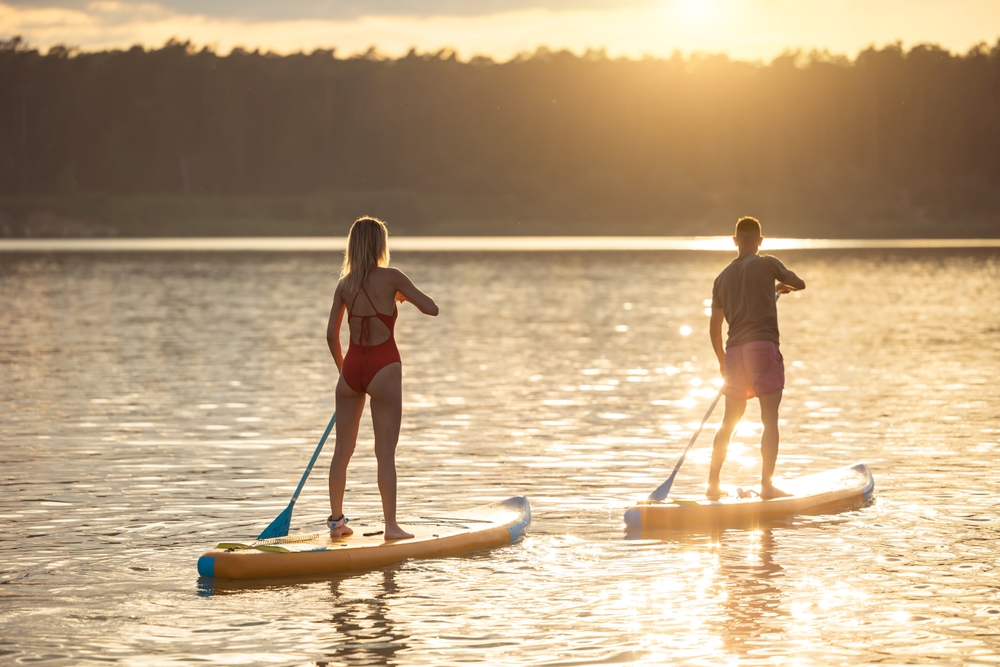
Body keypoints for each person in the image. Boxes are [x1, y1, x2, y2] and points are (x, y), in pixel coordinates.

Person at [326, 216, 439, 540]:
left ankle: (337, 524)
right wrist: (403, 295)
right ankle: (391, 527)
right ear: (380, 244)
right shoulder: (392, 277)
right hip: (383, 368)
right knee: (384, 452)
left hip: (351, 371)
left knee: (342, 451)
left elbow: (330, 336)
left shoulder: (344, 284)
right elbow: (432, 309)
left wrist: (346, 374)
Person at [707, 216, 805, 499]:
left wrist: (721, 362)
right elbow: (799, 284)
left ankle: (712, 485)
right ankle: (767, 486)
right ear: (760, 240)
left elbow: (714, 328)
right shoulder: (767, 262)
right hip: (762, 347)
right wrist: (780, 281)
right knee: (769, 419)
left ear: (735, 240)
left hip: (735, 354)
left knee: (729, 422)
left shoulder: (721, 278)